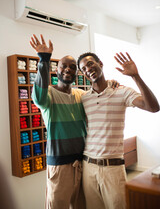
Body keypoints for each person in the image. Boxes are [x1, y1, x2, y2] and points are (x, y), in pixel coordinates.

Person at [77, 52, 159, 209]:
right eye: (83, 69)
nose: (88, 69)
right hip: (88, 167)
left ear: (100, 63)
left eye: (90, 64)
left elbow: (153, 107)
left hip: (113, 168)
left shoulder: (122, 91)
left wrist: (136, 76)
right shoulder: (84, 98)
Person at [30, 34, 87, 209]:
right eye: (64, 66)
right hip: (60, 166)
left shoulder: (82, 95)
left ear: (77, 72)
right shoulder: (48, 95)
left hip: (83, 164)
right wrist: (44, 59)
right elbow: (38, 97)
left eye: (72, 67)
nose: (68, 70)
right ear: (57, 71)